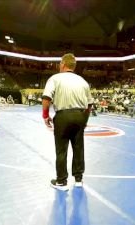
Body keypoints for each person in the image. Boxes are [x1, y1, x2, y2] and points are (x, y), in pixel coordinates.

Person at [42, 53, 93, 191]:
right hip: (79, 116)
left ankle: (61, 181)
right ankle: (78, 179)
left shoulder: (55, 78)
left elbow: (46, 98)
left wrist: (45, 116)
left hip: (63, 116)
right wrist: (85, 120)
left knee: (61, 150)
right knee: (78, 148)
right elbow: (89, 105)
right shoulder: (83, 81)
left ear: (63, 64)